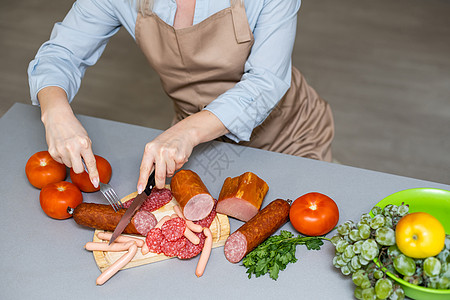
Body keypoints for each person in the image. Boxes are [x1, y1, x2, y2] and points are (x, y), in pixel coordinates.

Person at [28, 0, 334, 192]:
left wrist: (187, 132)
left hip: (289, 135)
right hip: (198, 143)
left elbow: (266, 82)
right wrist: (55, 111)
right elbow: (62, 53)